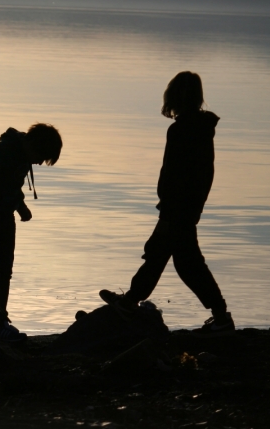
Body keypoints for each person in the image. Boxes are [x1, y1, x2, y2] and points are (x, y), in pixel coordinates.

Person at [99, 71, 234, 337]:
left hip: (178, 209)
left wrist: (171, 211)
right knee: (174, 259)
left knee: (173, 259)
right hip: (187, 208)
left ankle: (219, 317)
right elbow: (203, 175)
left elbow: (175, 175)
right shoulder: (201, 128)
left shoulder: (182, 129)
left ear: (173, 97)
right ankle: (130, 302)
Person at [0, 123, 62, 342]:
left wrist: (21, 207)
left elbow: (10, 185)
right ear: (33, 144)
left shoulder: (23, 157)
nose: (38, 162)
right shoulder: (0, 152)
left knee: (3, 270)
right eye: (40, 156)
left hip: (5, 217)